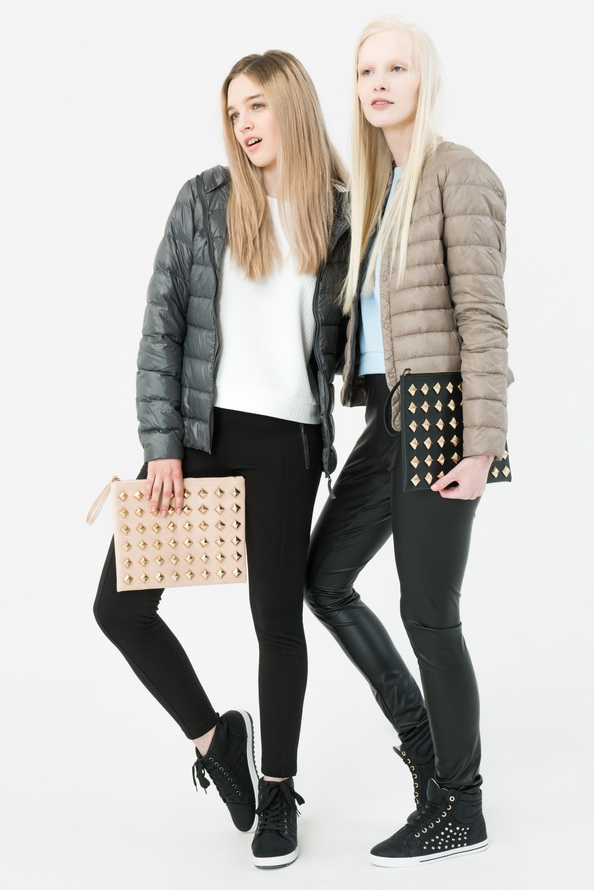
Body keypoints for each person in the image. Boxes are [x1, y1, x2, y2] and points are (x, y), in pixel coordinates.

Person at [94, 49, 349, 870]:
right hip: (200, 437)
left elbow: (357, 338)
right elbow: (161, 328)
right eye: (233, 112)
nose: (243, 124)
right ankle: (216, 743)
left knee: (276, 620)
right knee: (120, 608)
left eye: (257, 106)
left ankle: (277, 789)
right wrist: (161, 446)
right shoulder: (203, 200)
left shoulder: (341, 214)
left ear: (292, 107)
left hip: (287, 443)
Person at [305, 15, 512, 868]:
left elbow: (484, 318)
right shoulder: (373, 189)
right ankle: (427, 751)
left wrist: (482, 445)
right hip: (387, 415)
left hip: (440, 414)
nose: (380, 83)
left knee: (430, 614)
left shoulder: (460, 174)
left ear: (424, 79)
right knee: (324, 579)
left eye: (396, 68)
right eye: (366, 71)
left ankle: (461, 805)